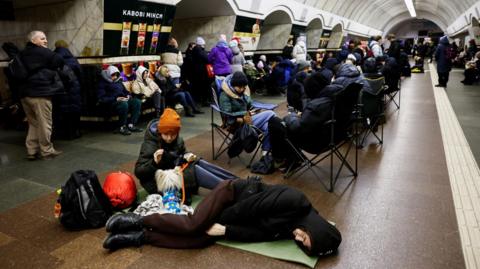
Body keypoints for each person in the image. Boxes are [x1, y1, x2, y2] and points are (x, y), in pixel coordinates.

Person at [103, 178, 342, 258]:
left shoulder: (294, 227)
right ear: (316, 228)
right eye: (305, 236)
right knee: (196, 225)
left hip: (235, 215)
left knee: (200, 239)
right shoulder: (296, 201)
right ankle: (137, 220)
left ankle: (138, 238)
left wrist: (225, 231)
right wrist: (219, 223)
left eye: (302, 243)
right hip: (232, 195)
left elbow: (259, 234)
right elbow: (249, 208)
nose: (298, 238)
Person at [134, 108, 239, 197]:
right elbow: (139, 172)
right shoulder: (150, 144)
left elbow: (181, 155)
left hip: (173, 170)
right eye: (166, 134)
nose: (169, 138)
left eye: (173, 134)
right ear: (160, 131)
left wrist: (187, 156)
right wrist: (154, 162)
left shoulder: (178, 140)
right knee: (194, 170)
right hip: (158, 182)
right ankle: (233, 190)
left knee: (198, 162)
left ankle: (238, 182)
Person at [17, 31, 64, 160]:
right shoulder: (41, 51)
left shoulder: (22, 53)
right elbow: (59, 60)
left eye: (45, 39)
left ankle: (31, 150)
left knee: (33, 123)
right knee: (45, 123)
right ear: (33, 41)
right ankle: (47, 151)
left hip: (24, 95)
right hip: (40, 93)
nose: (45, 41)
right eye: (42, 39)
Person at [218, 71, 276, 153]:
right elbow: (227, 113)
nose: (242, 89)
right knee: (271, 113)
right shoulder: (224, 95)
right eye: (239, 87)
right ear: (233, 84)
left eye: (244, 87)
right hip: (238, 123)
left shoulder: (243, 91)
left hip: (248, 118)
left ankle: (265, 152)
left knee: (270, 127)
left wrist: (254, 110)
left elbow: (249, 104)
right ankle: (266, 149)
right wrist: (244, 113)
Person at [97, 65, 143, 135]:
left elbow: (125, 91)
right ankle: (122, 127)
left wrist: (128, 95)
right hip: (111, 103)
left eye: (116, 75)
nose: (115, 77)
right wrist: (116, 98)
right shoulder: (103, 83)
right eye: (113, 75)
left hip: (122, 99)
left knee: (137, 102)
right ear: (109, 74)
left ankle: (131, 124)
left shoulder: (118, 81)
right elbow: (102, 98)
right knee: (123, 104)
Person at [52, 40, 82, 140]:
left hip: (59, 89)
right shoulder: (73, 59)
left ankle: (62, 133)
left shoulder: (52, 58)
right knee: (73, 111)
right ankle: (74, 133)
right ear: (67, 46)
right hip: (74, 88)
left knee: (61, 111)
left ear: (56, 46)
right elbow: (80, 74)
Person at [190, 37, 211, 105]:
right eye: (203, 44)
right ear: (201, 44)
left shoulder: (193, 51)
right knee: (204, 86)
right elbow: (207, 59)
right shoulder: (200, 51)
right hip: (202, 71)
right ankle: (204, 101)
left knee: (197, 86)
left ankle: (197, 100)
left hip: (195, 71)